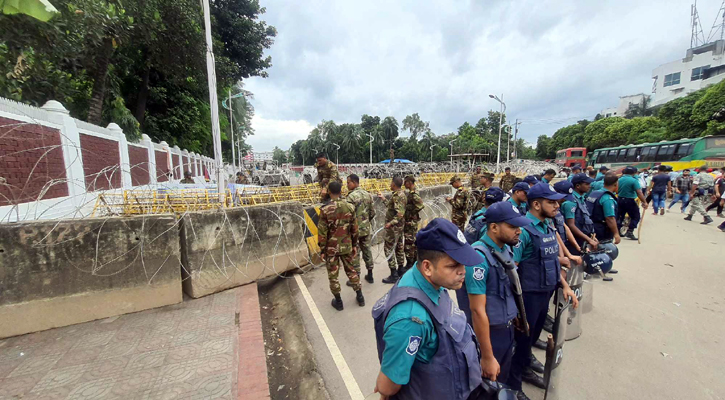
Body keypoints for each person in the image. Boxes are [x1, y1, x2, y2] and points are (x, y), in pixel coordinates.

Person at [372, 219, 487, 400]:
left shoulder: (427, 279)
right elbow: (387, 386)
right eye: (453, 266)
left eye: (462, 264)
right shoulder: (411, 318)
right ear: (427, 267)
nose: (463, 271)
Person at [509, 183, 579, 399]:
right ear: (537, 204)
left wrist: (565, 285)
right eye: (551, 202)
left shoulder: (547, 226)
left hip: (544, 293)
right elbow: (512, 268)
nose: (557, 205)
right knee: (520, 342)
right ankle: (514, 384)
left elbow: (550, 260)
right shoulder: (524, 230)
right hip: (528, 296)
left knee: (532, 338)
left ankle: (526, 366)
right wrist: (515, 309)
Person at [458, 202, 531, 385]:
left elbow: (504, 289)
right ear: (494, 227)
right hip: (489, 335)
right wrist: (487, 356)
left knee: (502, 379)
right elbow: (477, 311)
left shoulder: (503, 249)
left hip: (505, 328)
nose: (519, 231)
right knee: (488, 384)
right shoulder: (478, 258)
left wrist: (513, 314)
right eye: (513, 226)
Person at [318, 181, 364, 310]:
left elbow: (322, 232)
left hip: (331, 248)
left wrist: (322, 249)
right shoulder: (349, 207)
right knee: (351, 270)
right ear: (341, 191)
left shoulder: (325, 209)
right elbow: (355, 229)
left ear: (329, 192)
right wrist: (354, 244)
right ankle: (360, 297)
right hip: (347, 245)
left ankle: (338, 302)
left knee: (333, 275)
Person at [346, 174, 376, 284]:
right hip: (366, 229)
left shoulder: (351, 197)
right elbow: (372, 212)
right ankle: (370, 274)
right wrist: (366, 222)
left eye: (348, 182)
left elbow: (347, 215)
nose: (347, 185)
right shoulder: (368, 195)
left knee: (355, 252)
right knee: (367, 250)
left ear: (354, 182)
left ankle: (356, 277)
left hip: (355, 231)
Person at [379, 176, 408, 283]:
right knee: (399, 246)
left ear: (394, 184)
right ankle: (400, 269)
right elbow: (392, 208)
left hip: (394, 228)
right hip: (399, 227)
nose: (390, 185)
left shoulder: (397, 196)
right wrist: (383, 199)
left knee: (388, 248)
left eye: (391, 183)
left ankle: (394, 274)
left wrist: (390, 223)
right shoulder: (400, 194)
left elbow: (400, 214)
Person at [561, 173, 598, 254]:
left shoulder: (581, 198)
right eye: (587, 184)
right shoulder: (571, 202)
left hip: (583, 237)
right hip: (575, 239)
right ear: (577, 186)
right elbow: (571, 225)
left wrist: (591, 236)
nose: (589, 186)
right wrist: (588, 239)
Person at [586, 172, 621, 245]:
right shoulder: (607, 198)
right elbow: (610, 218)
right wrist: (616, 233)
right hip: (601, 230)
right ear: (615, 184)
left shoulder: (594, 193)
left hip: (590, 226)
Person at [617, 166, 648, 240]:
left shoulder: (619, 179)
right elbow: (639, 192)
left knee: (620, 216)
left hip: (619, 199)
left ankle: (618, 231)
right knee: (635, 216)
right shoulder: (634, 181)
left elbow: (616, 190)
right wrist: (644, 202)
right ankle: (630, 231)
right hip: (629, 201)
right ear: (634, 173)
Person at [403, 176, 425, 276]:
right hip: (410, 221)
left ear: (410, 182)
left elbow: (420, 205)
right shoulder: (411, 193)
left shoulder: (413, 194)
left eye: (405, 182)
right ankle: (414, 262)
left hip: (411, 222)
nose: (404, 184)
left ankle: (410, 264)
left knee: (409, 243)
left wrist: (412, 214)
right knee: (412, 241)